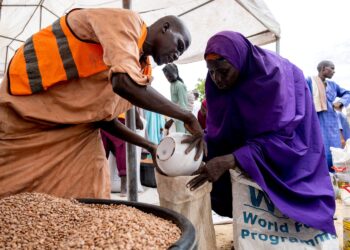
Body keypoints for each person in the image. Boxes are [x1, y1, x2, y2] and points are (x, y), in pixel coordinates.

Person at [0, 8, 205, 199]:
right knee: (11, 193)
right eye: (179, 45)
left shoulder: (142, 70)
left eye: (181, 53)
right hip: (24, 118)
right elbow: (123, 83)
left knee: (93, 188)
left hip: (75, 133)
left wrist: (149, 146)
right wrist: (186, 116)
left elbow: (103, 119)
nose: (176, 56)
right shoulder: (127, 22)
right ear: (165, 27)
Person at [187, 31, 336, 235]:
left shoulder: (272, 77)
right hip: (257, 142)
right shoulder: (216, 83)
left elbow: (283, 137)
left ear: (239, 60)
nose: (217, 79)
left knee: (292, 197)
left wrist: (231, 159)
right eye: (211, 72)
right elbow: (224, 129)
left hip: (289, 138)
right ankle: (257, 233)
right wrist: (204, 139)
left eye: (222, 71)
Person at [306, 60, 350, 170]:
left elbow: (348, 93)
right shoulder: (309, 81)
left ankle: (334, 176)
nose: (334, 71)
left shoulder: (333, 85)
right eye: (332, 68)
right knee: (319, 149)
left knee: (335, 152)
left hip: (333, 125)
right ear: (323, 69)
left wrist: (341, 102)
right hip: (316, 122)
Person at [101, 109, 144, 196]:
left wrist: (137, 118)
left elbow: (129, 102)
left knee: (122, 152)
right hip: (103, 120)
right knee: (101, 153)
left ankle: (123, 186)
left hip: (119, 121)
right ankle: (100, 185)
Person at [162, 63, 189, 133]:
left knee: (180, 139)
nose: (168, 78)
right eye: (166, 76)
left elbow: (183, 107)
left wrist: (171, 120)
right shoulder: (172, 85)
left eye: (169, 75)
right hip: (175, 117)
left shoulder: (179, 85)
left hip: (181, 119)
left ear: (175, 72)